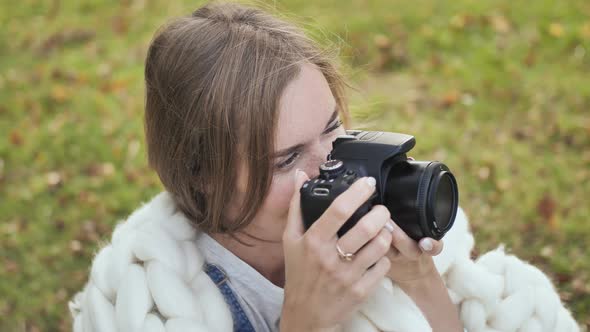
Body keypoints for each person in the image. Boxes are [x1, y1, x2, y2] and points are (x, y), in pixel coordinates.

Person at [69, 2, 580, 332]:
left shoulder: (373, 223)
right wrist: (304, 323)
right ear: (201, 174)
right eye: (288, 158)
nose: (329, 168)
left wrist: (420, 281)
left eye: (332, 129)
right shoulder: (143, 298)